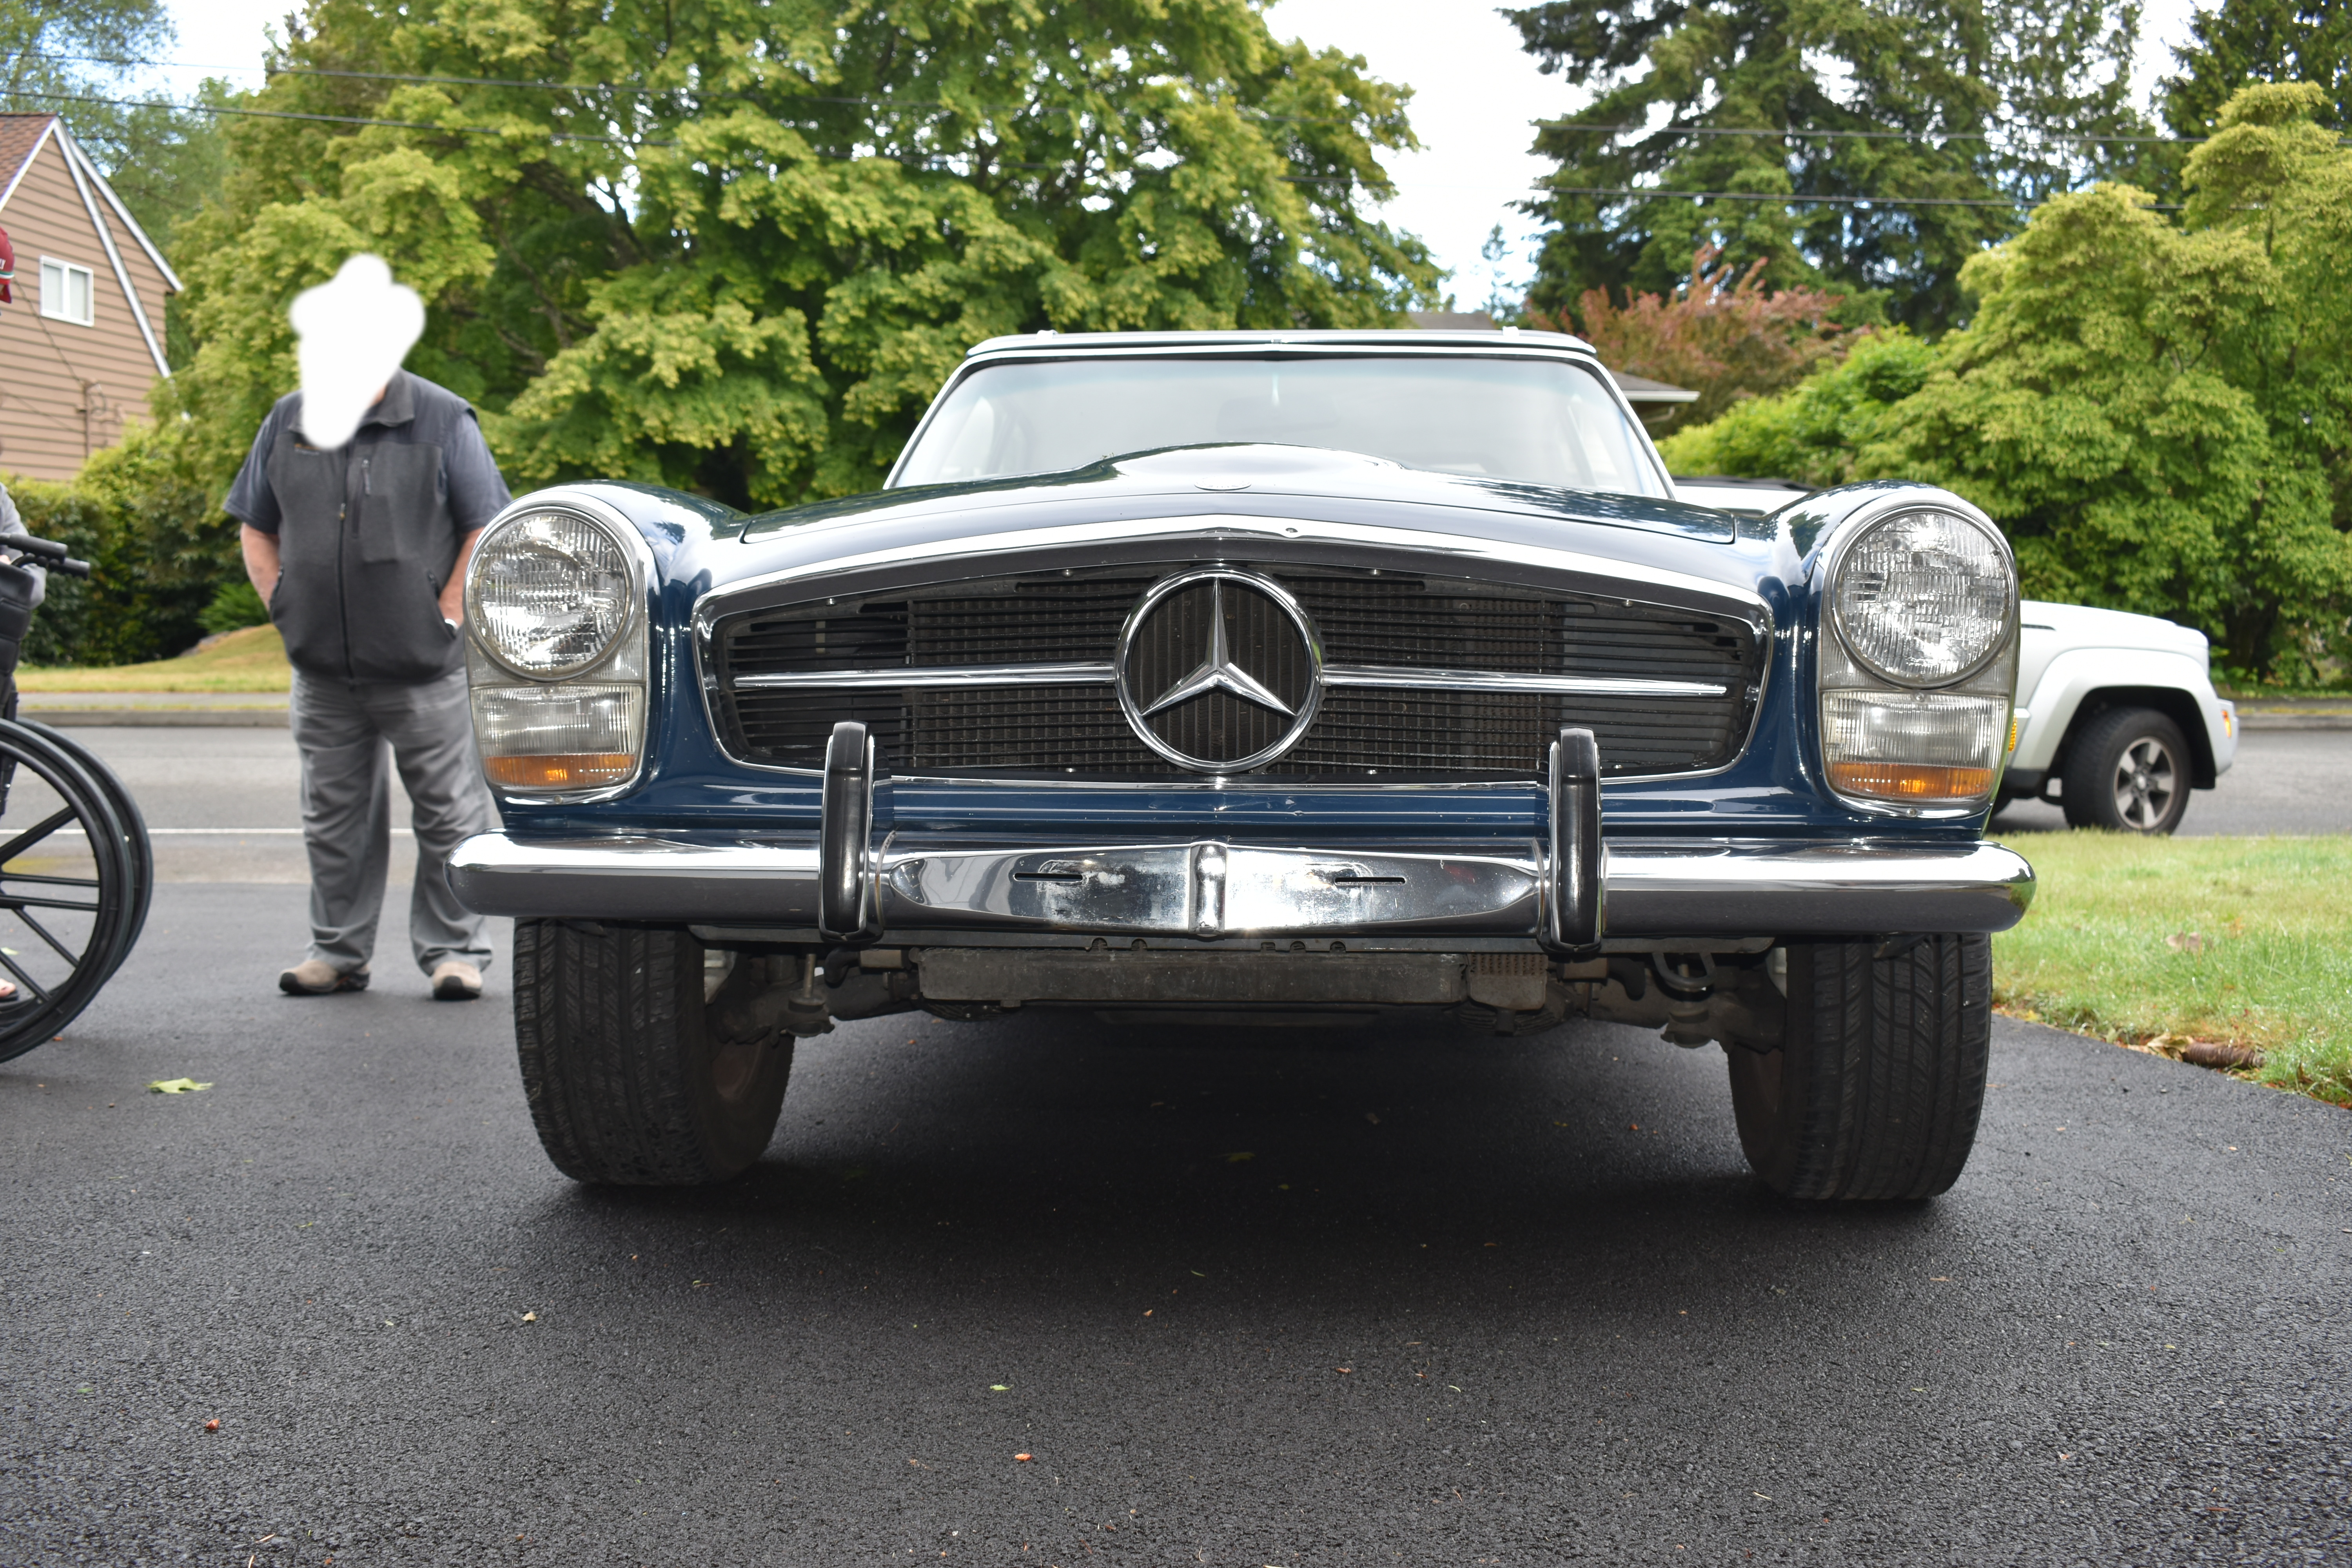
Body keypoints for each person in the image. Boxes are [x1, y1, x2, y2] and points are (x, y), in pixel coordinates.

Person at [222, 255, 506, 1000]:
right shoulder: (289, 418)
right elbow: (256, 525)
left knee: (449, 816)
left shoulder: (442, 418)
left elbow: (485, 528)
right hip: (323, 670)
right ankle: (338, 952)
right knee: (332, 821)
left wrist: (448, 615)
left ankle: (455, 954)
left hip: (424, 668)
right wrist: (283, 602)